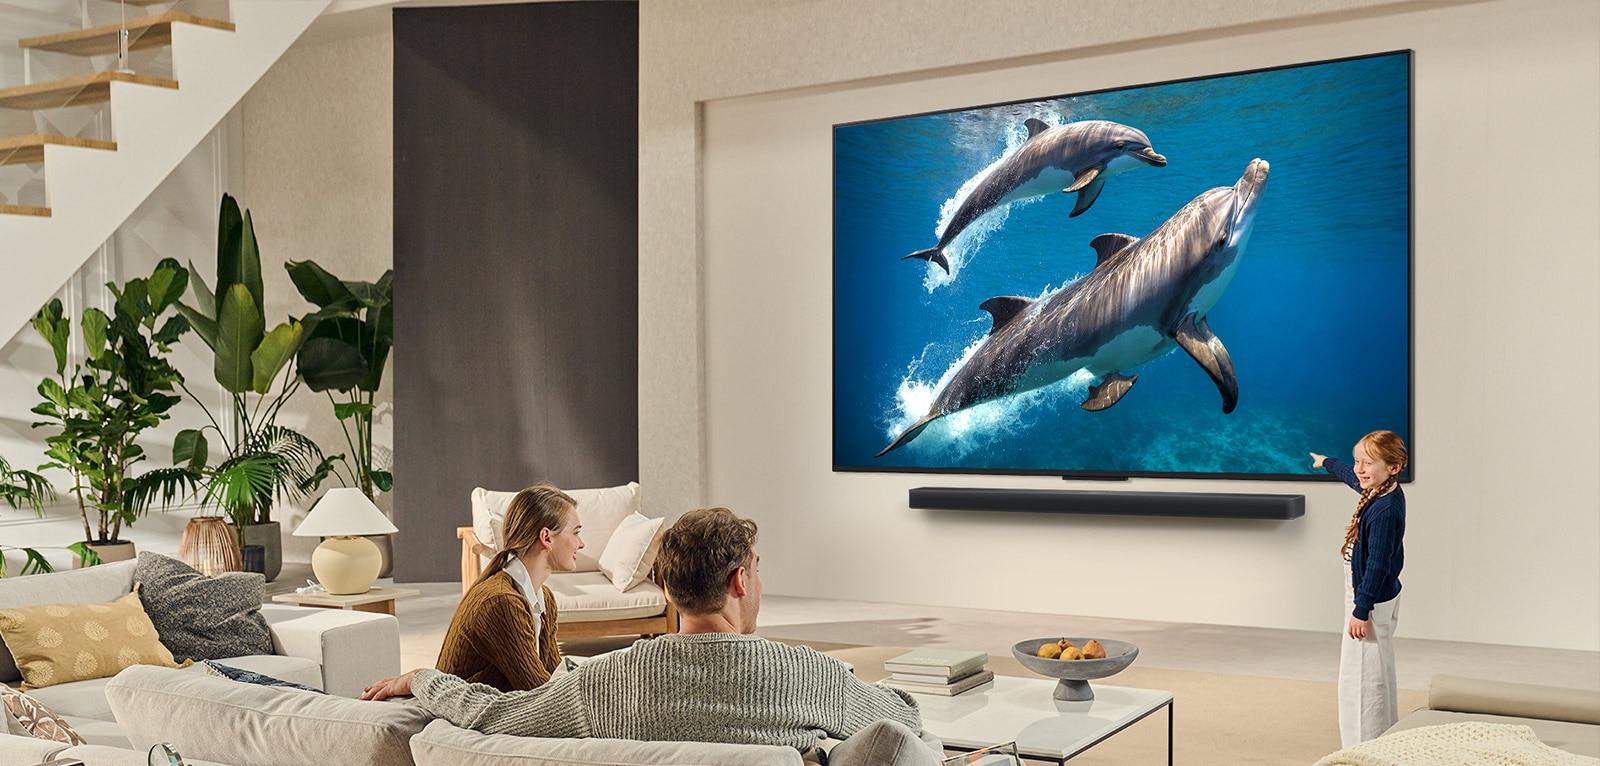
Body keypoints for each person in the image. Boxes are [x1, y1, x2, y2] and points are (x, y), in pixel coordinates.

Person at [361, 506, 927, 758]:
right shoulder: (808, 675)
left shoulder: (604, 683)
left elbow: (496, 716)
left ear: (667, 586)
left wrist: (426, 680)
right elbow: (902, 720)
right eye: (757, 569)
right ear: (738, 580)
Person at [433, 484, 583, 692]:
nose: (581, 543)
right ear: (546, 537)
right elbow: (542, 696)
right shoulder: (501, 602)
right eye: (576, 533)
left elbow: (553, 674)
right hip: (467, 717)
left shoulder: (543, 598)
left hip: (498, 708)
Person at [1310, 430, 1409, 747]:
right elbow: (1354, 481)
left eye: (1368, 463)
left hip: (1369, 600)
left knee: (1361, 677)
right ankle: (1384, 737)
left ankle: (1362, 746)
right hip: (1375, 598)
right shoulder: (1382, 492)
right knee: (1378, 668)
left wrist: (1360, 610)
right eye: (1357, 462)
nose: (1359, 469)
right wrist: (1328, 462)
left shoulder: (1384, 510)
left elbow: (1378, 564)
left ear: (1393, 467)